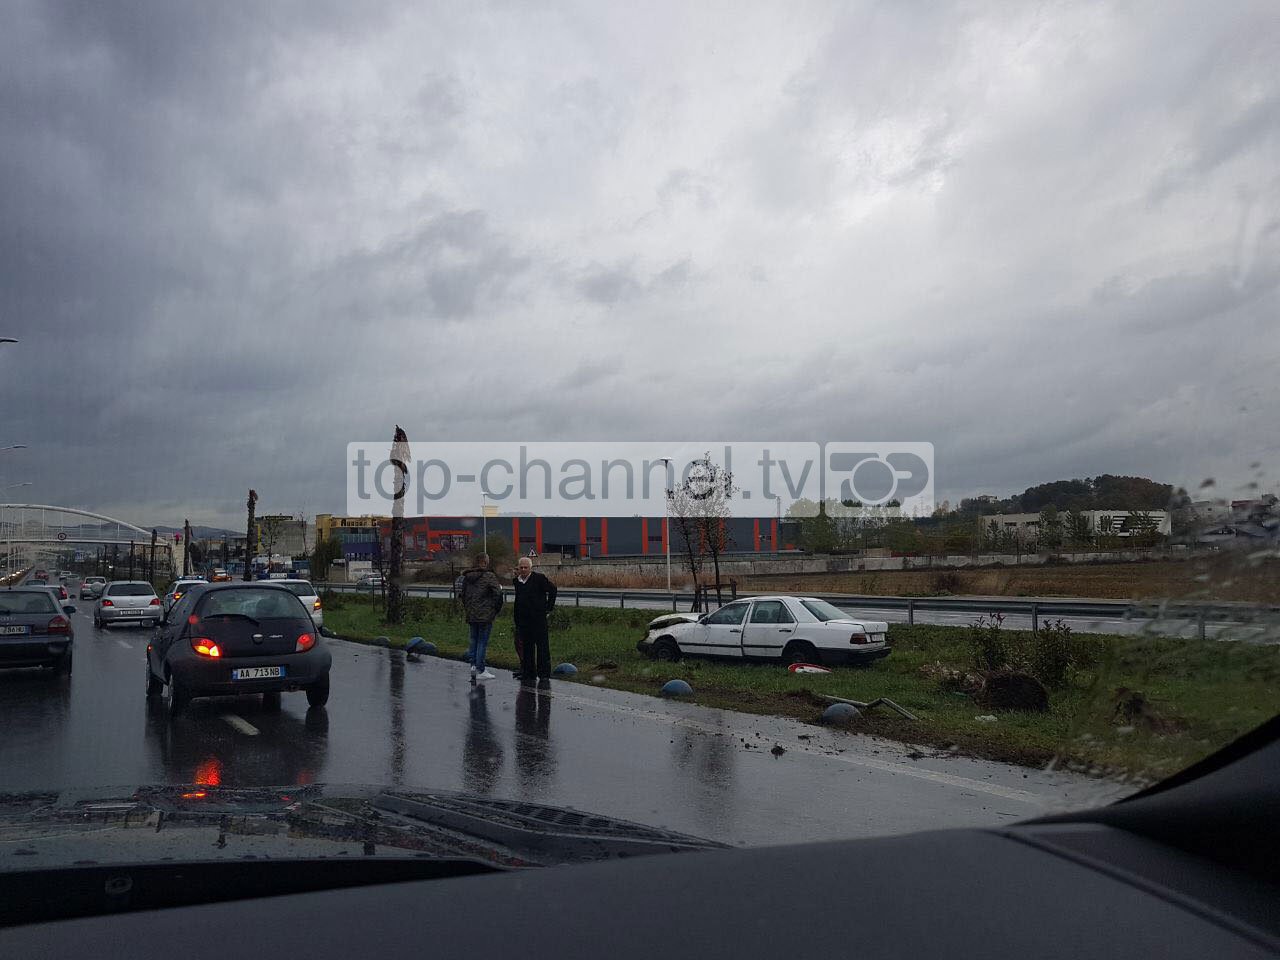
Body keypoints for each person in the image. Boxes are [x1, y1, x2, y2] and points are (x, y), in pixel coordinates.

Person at [513, 556, 556, 688]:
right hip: (523, 620)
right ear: (518, 568)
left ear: (531, 568)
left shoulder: (539, 579)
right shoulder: (517, 581)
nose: (524, 569)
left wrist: (548, 608)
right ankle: (529, 672)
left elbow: (553, 590)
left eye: (526, 567)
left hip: (538, 619)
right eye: (521, 567)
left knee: (542, 647)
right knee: (527, 647)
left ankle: (544, 674)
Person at [460, 553, 503, 682]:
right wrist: (495, 609)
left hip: (471, 614)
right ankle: (481, 670)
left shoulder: (467, 577)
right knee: (482, 642)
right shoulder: (489, 576)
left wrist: (468, 609)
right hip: (485, 615)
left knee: (473, 641)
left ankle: (473, 668)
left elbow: (463, 595)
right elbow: (498, 593)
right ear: (485, 562)